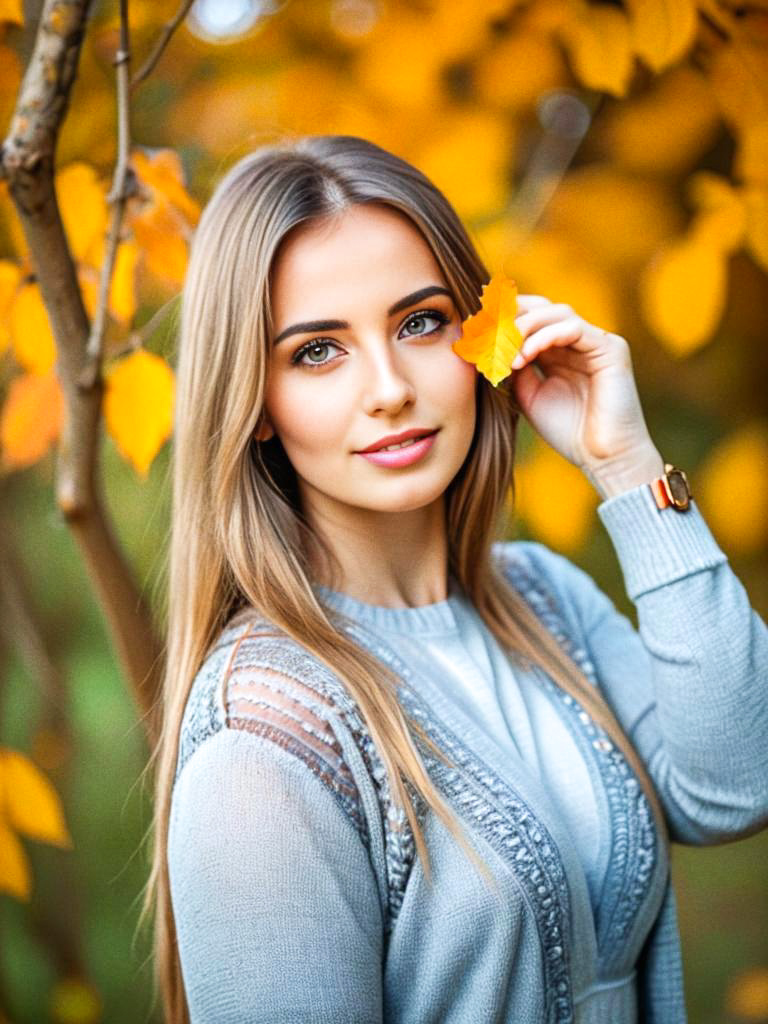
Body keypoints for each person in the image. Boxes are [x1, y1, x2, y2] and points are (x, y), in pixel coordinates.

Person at [142, 134, 768, 1024]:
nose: (391, 387)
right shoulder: (266, 740)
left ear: (480, 343)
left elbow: (740, 782)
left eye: (420, 322)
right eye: (318, 352)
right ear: (256, 408)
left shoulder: (544, 600)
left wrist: (629, 468)